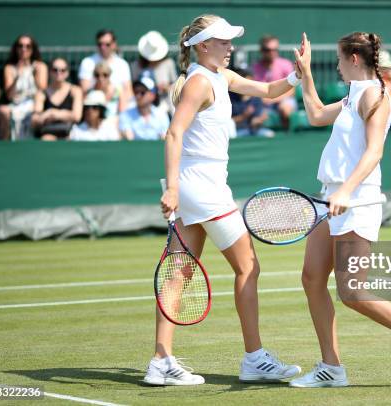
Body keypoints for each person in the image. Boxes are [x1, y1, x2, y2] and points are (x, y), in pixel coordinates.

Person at [151, 14, 303, 386]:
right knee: (248, 267)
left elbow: (269, 91)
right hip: (202, 186)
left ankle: (160, 361)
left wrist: (298, 74)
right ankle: (254, 358)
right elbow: (173, 134)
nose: (231, 47)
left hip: (199, 185)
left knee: (180, 269)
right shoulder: (199, 83)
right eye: (223, 41)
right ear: (203, 45)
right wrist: (171, 188)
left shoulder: (222, 77)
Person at [291, 32, 391, 388]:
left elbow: (374, 151)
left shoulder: (376, 95)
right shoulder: (351, 95)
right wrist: (306, 75)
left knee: (353, 293)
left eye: (338, 59)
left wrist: (346, 191)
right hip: (330, 198)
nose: (336, 64)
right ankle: (331, 367)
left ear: (355, 59)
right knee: (312, 278)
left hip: (356, 201)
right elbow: (316, 114)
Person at [0, 34, 47, 140]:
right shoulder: (9, 68)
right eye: (20, 46)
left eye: (28, 46)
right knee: (3, 111)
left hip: (35, 106)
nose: (24, 49)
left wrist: (35, 75)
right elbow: (10, 96)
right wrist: (17, 77)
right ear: (16, 48)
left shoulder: (40, 66)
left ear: (33, 49)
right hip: (15, 104)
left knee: (38, 102)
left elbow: (42, 90)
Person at [251, 35, 297, 129]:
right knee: (254, 114)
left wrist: (273, 99)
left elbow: (291, 91)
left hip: (282, 99)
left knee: (285, 109)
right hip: (262, 102)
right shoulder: (255, 67)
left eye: (275, 49)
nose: (272, 52)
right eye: (268, 50)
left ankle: (287, 136)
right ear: (262, 50)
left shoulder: (286, 64)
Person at [31, 57, 83, 140]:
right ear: (50, 72)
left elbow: (77, 116)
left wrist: (52, 113)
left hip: (70, 133)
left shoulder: (75, 91)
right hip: (48, 133)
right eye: (55, 70)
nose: (59, 73)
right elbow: (35, 120)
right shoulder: (41, 93)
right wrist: (66, 115)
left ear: (67, 73)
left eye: (63, 70)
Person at [131, 31, 178, 116]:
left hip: (163, 103)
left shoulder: (168, 63)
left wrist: (166, 87)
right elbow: (132, 86)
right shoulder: (136, 66)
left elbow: (175, 84)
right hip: (141, 102)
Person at [78, 29, 132, 99]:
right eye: (100, 44)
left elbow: (128, 91)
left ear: (114, 44)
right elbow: (84, 91)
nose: (103, 47)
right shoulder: (87, 62)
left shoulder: (123, 64)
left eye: (107, 44)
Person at [119, 74, 169, 140]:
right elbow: (129, 141)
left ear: (152, 95)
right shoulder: (125, 115)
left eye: (142, 92)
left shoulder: (162, 115)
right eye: (136, 92)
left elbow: (164, 140)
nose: (138, 95)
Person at [230, 68, 274, 138]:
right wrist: (243, 116)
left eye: (250, 82)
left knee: (269, 134)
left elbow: (255, 120)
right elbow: (228, 122)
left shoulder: (256, 98)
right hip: (238, 131)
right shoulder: (230, 98)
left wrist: (259, 120)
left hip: (255, 130)